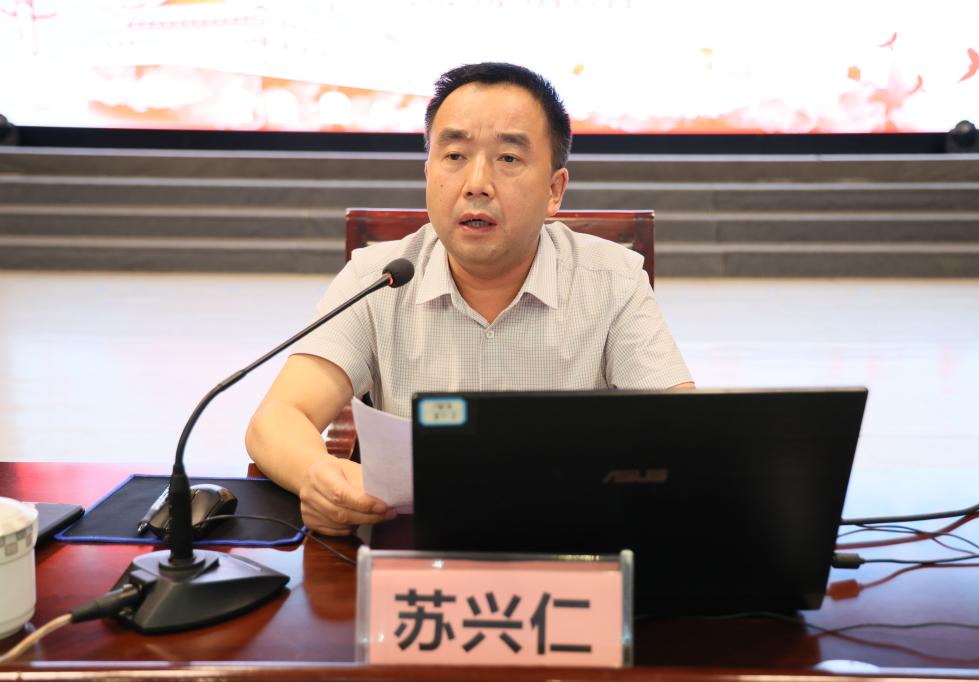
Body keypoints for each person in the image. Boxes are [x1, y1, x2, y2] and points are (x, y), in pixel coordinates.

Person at [246, 62, 693, 536]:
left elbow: (685, 433)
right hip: (415, 547)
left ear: (554, 190)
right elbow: (276, 419)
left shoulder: (612, 280)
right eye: (455, 155)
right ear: (428, 173)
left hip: (572, 542)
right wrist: (320, 477)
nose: (476, 183)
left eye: (508, 158)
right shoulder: (378, 277)